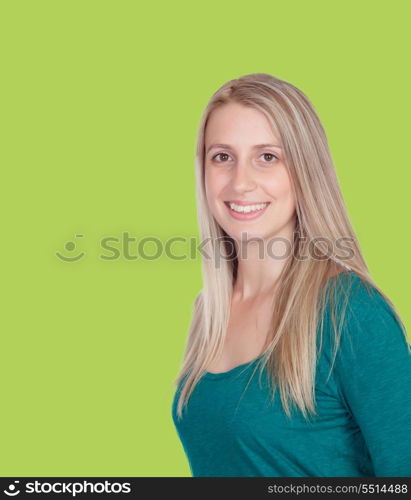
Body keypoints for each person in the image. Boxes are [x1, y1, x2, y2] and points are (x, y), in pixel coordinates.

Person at [171, 73, 411, 477]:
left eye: (268, 157)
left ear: (305, 171)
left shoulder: (350, 312)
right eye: (222, 157)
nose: (241, 182)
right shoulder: (208, 312)